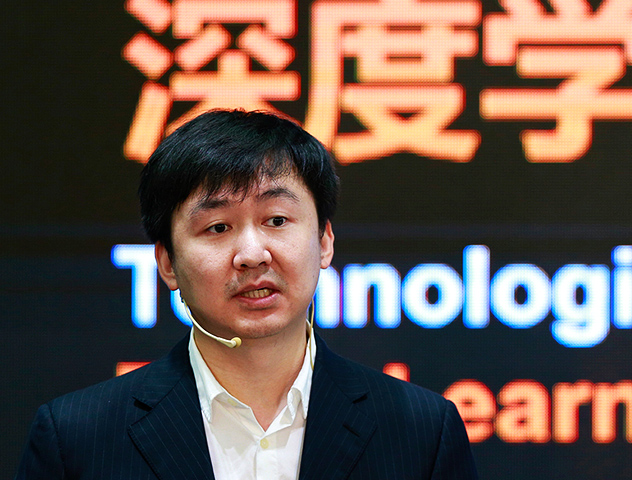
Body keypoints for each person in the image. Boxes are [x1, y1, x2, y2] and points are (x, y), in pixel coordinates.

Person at [16, 109, 478, 479]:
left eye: (276, 220)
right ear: (167, 263)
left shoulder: (421, 431)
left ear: (324, 241)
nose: (252, 255)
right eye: (218, 227)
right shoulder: (77, 437)